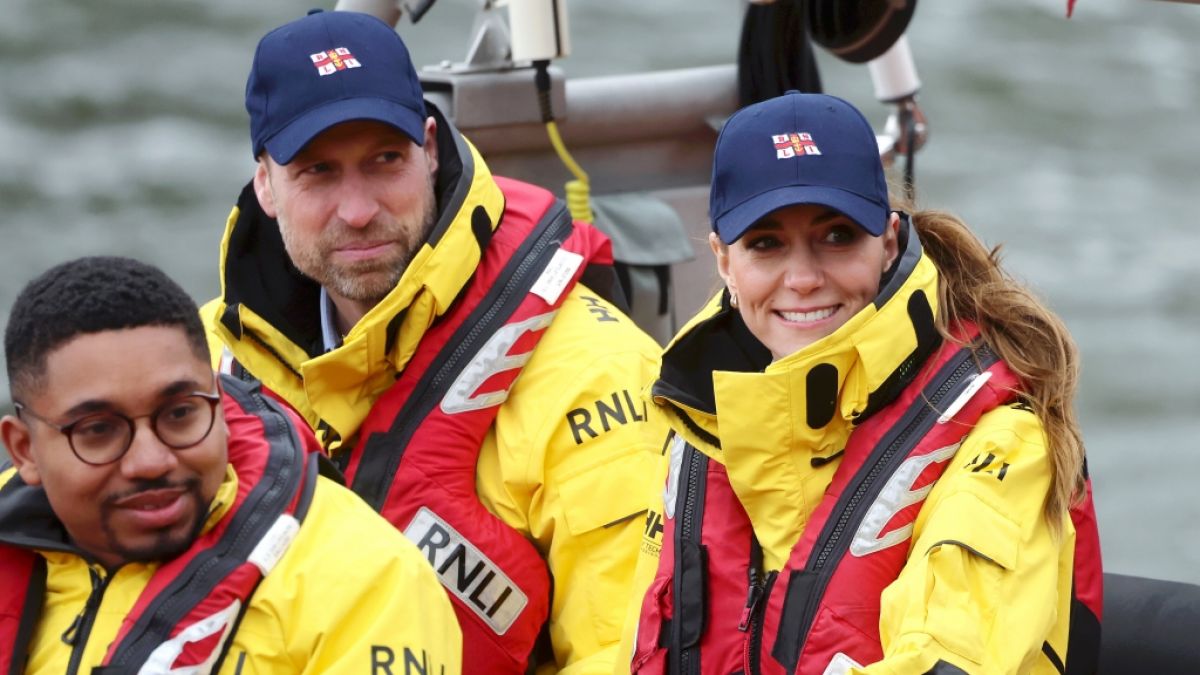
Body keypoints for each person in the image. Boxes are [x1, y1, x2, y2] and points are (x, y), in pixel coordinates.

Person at [200, 10, 664, 674]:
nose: (358, 210)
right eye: (318, 171)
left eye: (385, 161)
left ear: (430, 150)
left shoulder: (597, 375)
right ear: (266, 185)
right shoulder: (205, 361)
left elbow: (627, 650)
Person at [620, 92, 1103, 674]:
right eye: (766, 244)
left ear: (889, 241)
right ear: (725, 261)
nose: (803, 278)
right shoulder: (694, 421)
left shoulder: (1004, 442)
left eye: (837, 236)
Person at [0, 256, 461, 674]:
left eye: (180, 414)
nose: (150, 461)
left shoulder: (363, 580)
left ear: (220, 404)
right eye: (98, 430)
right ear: (24, 450)